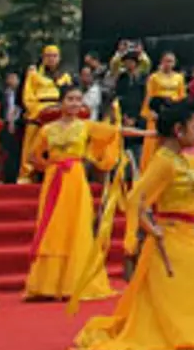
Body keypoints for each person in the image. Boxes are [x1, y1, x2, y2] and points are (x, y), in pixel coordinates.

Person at [72, 100, 194, 350]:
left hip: (188, 235)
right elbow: (135, 199)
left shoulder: (181, 160)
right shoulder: (163, 162)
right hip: (171, 237)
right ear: (178, 130)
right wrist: (149, 228)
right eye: (193, 127)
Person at [22, 86, 146, 302]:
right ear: (61, 102)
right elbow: (32, 157)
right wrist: (51, 166)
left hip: (76, 180)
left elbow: (116, 132)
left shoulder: (86, 126)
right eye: (70, 99)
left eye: (78, 100)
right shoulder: (47, 129)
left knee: (76, 225)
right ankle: (47, 284)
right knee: (52, 226)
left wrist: (150, 133)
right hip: (54, 180)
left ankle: (75, 282)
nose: (74, 104)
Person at [17, 46, 68, 184]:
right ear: (43, 57)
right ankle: (27, 174)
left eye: (54, 56)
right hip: (39, 110)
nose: (51, 59)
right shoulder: (34, 73)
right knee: (31, 143)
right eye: (48, 56)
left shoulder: (65, 76)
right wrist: (34, 110)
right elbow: (27, 94)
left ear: (59, 58)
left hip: (58, 110)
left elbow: (69, 95)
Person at [141, 52, 187, 168]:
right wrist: (150, 112)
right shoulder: (154, 77)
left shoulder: (179, 78)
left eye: (171, 61)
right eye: (166, 61)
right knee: (154, 141)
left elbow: (182, 96)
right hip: (158, 111)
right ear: (161, 62)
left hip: (173, 110)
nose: (168, 64)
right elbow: (149, 95)